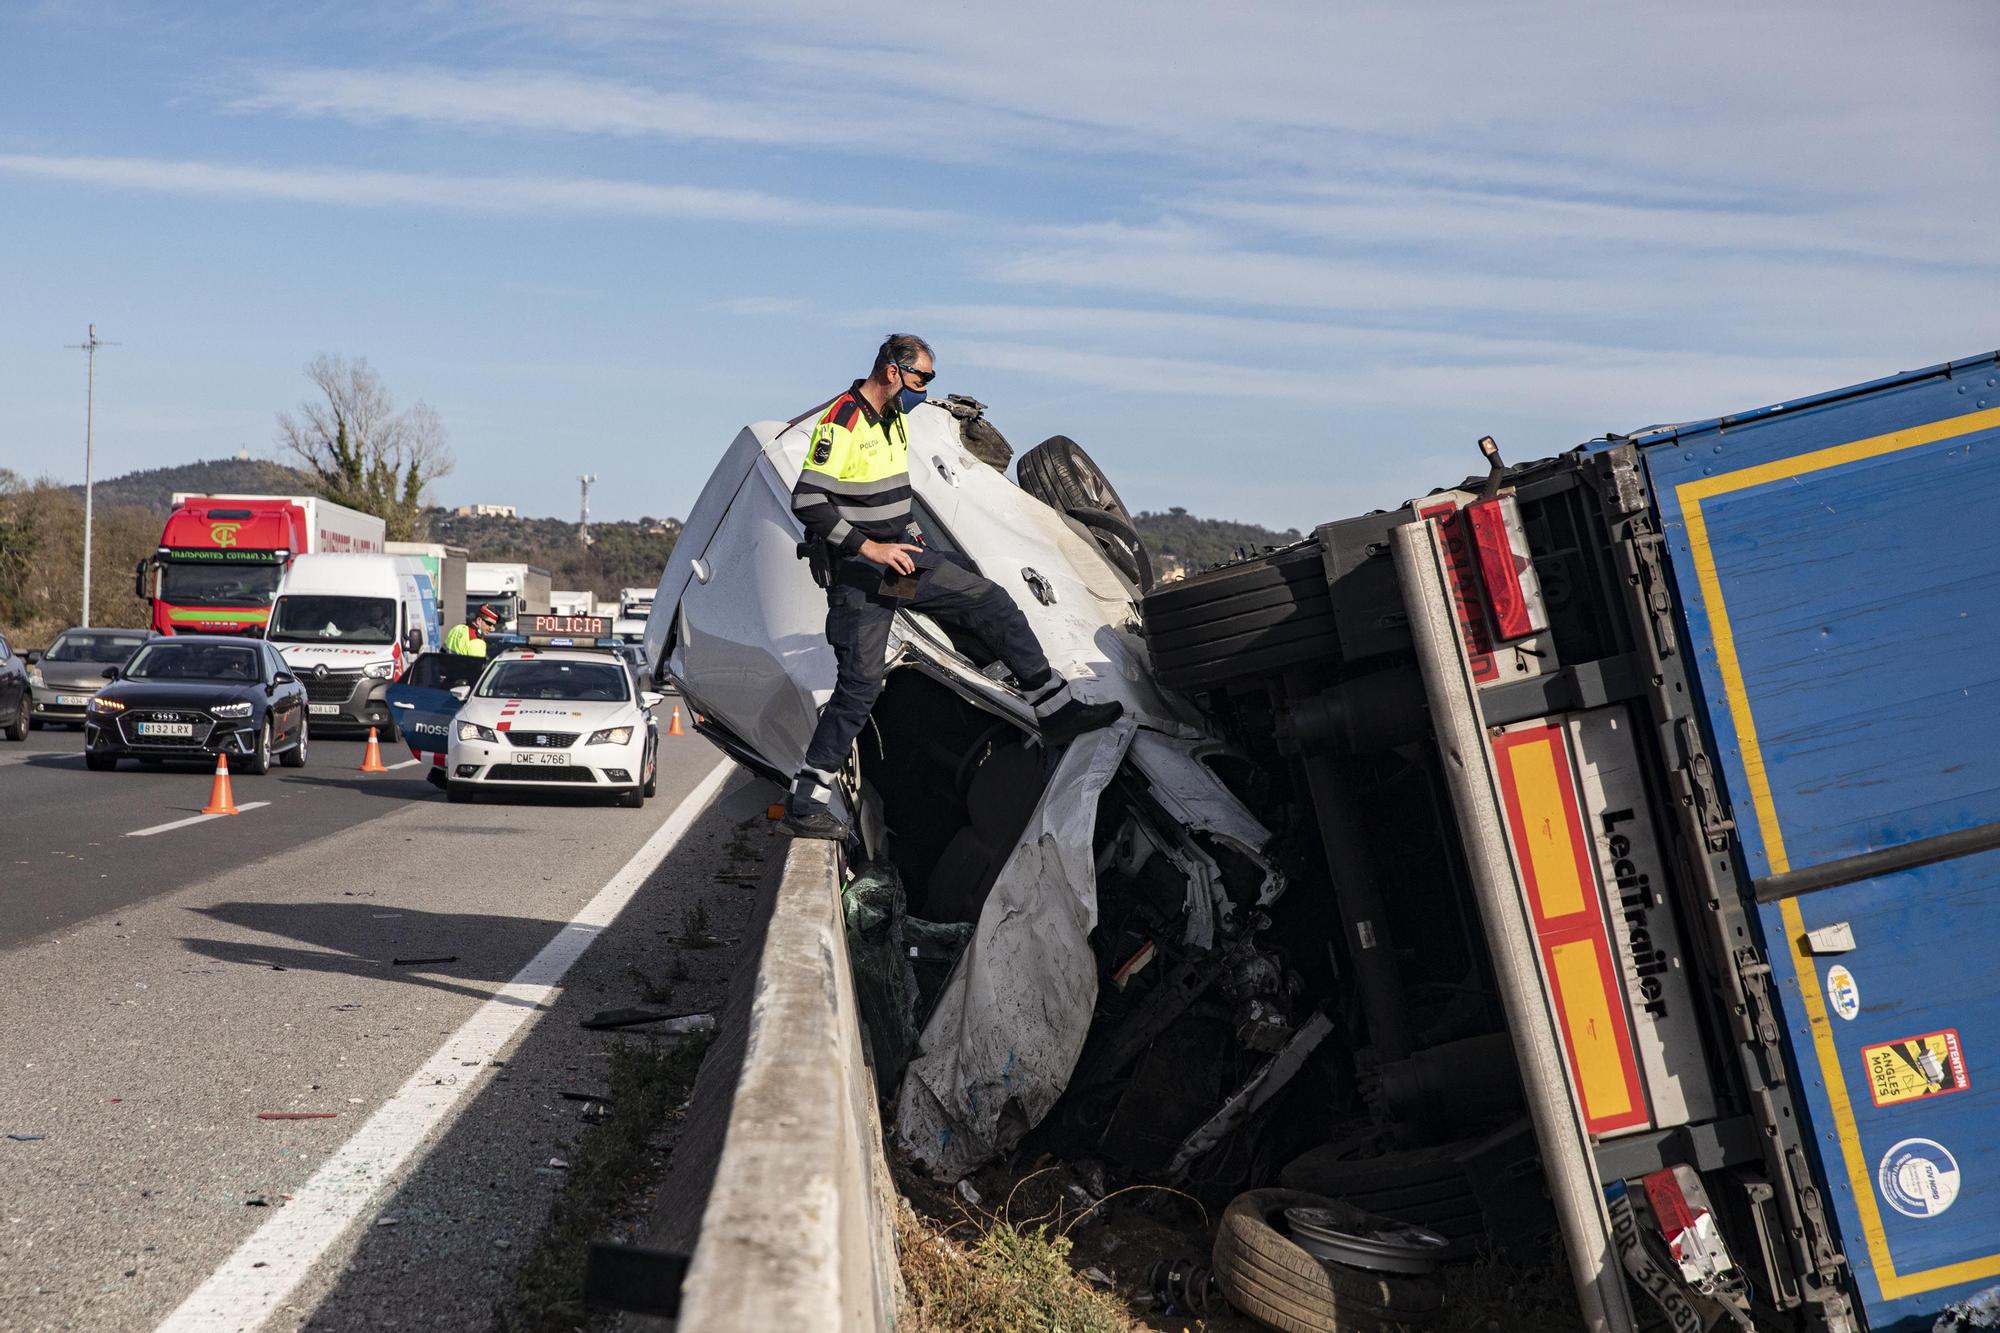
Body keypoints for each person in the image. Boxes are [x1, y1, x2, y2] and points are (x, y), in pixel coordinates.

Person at [782, 334, 1123, 840]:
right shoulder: (843, 421)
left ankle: (1054, 709)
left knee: (990, 602)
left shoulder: (895, 417)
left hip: (903, 557)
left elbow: (890, 492)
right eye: (922, 377)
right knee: (860, 685)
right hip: (862, 573)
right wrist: (868, 547)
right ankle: (804, 801)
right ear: (893, 371)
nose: (926, 389)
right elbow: (808, 500)